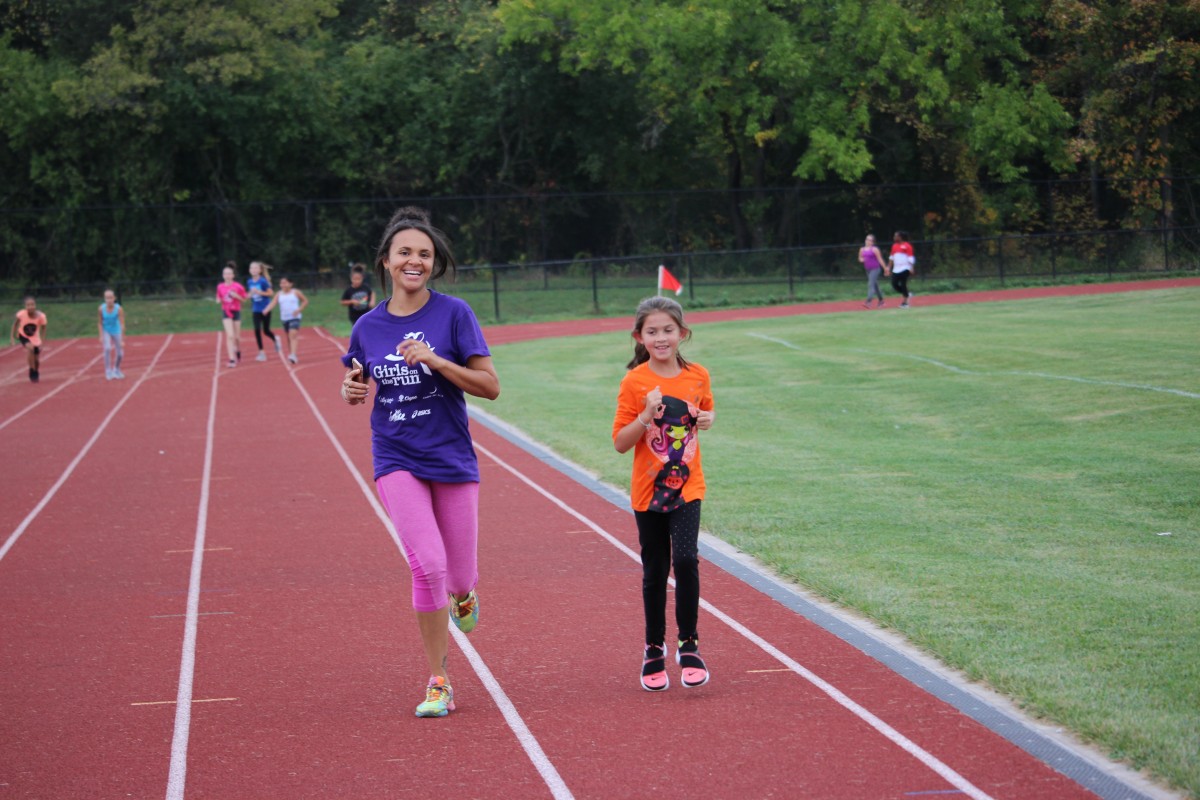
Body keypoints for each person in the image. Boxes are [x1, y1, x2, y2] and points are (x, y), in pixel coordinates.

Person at [339, 206, 500, 718]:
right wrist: (351, 389)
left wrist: (437, 361)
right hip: (395, 455)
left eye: (424, 254)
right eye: (405, 252)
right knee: (426, 564)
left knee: (458, 575)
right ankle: (439, 680)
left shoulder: (454, 315)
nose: (415, 260)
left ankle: (464, 594)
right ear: (386, 261)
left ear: (434, 263)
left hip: (451, 456)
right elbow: (359, 379)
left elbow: (490, 387)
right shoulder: (368, 326)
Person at [612, 296, 715, 692]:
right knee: (655, 570)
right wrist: (645, 414)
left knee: (686, 559)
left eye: (668, 330)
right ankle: (654, 647)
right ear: (639, 337)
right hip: (648, 493)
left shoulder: (699, 375)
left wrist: (708, 419)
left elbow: (703, 412)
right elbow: (621, 443)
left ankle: (688, 643)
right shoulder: (634, 381)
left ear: (682, 334)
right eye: (652, 331)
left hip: (688, 485)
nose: (661, 338)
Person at [263, 276, 308, 364]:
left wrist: (299, 309)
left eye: (285, 283)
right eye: (281, 283)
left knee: (293, 334)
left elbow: (305, 301)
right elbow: (273, 303)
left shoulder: (295, 292)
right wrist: (266, 310)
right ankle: (291, 353)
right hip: (285, 318)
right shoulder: (279, 294)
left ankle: (293, 355)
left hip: (295, 317)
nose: (283, 285)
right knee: (288, 337)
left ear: (290, 284)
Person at [246, 260, 280, 360]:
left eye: (256, 268)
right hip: (255, 309)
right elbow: (251, 294)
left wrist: (260, 292)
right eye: (252, 268)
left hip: (265, 308)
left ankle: (275, 339)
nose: (254, 270)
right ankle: (261, 352)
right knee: (257, 330)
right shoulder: (249, 281)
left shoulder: (263, 281)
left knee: (266, 330)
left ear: (260, 270)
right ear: (249, 270)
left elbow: (271, 293)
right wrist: (249, 295)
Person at [216, 262, 248, 367]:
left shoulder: (238, 286)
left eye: (229, 274)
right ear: (223, 275)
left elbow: (244, 299)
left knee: (237, 337)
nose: (227, 276)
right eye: (225, 274)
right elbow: (219, 297)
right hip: (226, 311)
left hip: (236, 311)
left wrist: (236, 296)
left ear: (233, 275)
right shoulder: (220, 286)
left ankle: (238, 350)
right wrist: (218, 299)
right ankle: (231, 359)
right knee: (230, 336)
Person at [10, 296, 48, 383]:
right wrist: (12, 337)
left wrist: (42, 342)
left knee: (36, 360)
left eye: (32, 304)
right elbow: (15, 325)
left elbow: (44, 328)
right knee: (30, 348)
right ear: (25, 306)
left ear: (35, 305)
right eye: (28, 305)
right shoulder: (21, 314)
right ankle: (32, 370)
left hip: (35, 338)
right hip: (23, 335)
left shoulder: (41, 316)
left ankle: (35, 369)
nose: (30, 307)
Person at [97, 288, 126, 380]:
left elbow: (122, 324)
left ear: (114, 298)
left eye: (110, 298)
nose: (109, 300)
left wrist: (122, 339)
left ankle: (116, 369)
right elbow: (100, 323)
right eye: (106, 298)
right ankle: (108, 371)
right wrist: (101, 335)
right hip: (106, 330)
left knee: (120, 354)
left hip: (116, 330)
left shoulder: (119, 309)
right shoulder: (101, 309)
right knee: (107, 348)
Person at [888, 230, 916, 308]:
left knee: (903, 284)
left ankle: (905, 303)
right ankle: (907, 293)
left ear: (900, 237)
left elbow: (910, 258)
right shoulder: (894, 246)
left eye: (896, 236)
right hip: (896, 269)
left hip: (905, 268)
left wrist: (911, 267)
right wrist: (888, 268)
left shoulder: (907, 246)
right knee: (894, 284)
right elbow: (891, 258)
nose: (894, 237)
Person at [858, 234, 886, 308]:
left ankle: (868, 301)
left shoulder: (874, 249)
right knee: (875, 285)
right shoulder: (862, 249)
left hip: (875, 269)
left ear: (873, 242)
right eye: (867, 239)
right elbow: (860, 258)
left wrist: (885, 268)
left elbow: (880, 259)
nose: (867, 241)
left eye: (870, 240)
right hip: (868, 269)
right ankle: (881, 301)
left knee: (871, 284)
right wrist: (862, 260)